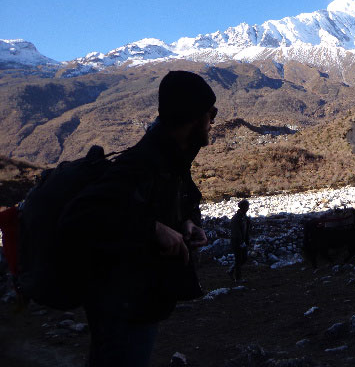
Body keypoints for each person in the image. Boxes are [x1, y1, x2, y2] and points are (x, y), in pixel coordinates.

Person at [58, 70, 217, 367]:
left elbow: (167, 205)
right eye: (211, 113)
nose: (213, 122)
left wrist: (186, 223)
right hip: (119, 303)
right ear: (195, 117)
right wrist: (153, 229)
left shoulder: (172, 160)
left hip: (138, 297)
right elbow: (78, 218)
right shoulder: (140, 163)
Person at [228, 199, 251, 282]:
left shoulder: (245, 218)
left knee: (243, 259)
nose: (248, 208)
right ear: (243, 207)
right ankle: (238, 278)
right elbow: (236, 232)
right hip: (237, 242)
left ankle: (231, 270)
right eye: (247, 206)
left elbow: (247, 231)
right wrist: (241, 242)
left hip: (242, 242)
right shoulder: (236, 219)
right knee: (238, 259)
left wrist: (246, 241)